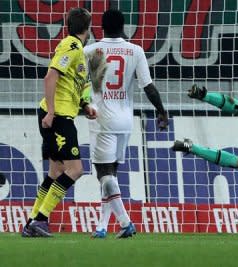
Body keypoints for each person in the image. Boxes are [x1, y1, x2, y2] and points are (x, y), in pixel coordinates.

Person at [83, 9, 168, 239]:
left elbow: (78, 84)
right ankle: (101, 226)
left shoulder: (91, 50)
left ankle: (125, 222)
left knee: (104, 175)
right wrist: (161, 111)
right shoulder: (135, 50)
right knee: (112, 177)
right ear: (123, 27)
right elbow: (148, 86)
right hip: (125, 120)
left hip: (101, 118)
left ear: (100, 27)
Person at [22, 7, 96, 237]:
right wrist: (52, 112)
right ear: (87, 27)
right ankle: (40, 220)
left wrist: (86, 106)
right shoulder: (71, 46)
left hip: (63, 114)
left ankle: (32, 222)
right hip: (58, 117)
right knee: (75, 170)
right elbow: (51, 76)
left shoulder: (79, 52)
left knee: (55, 171)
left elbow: (77, 83)